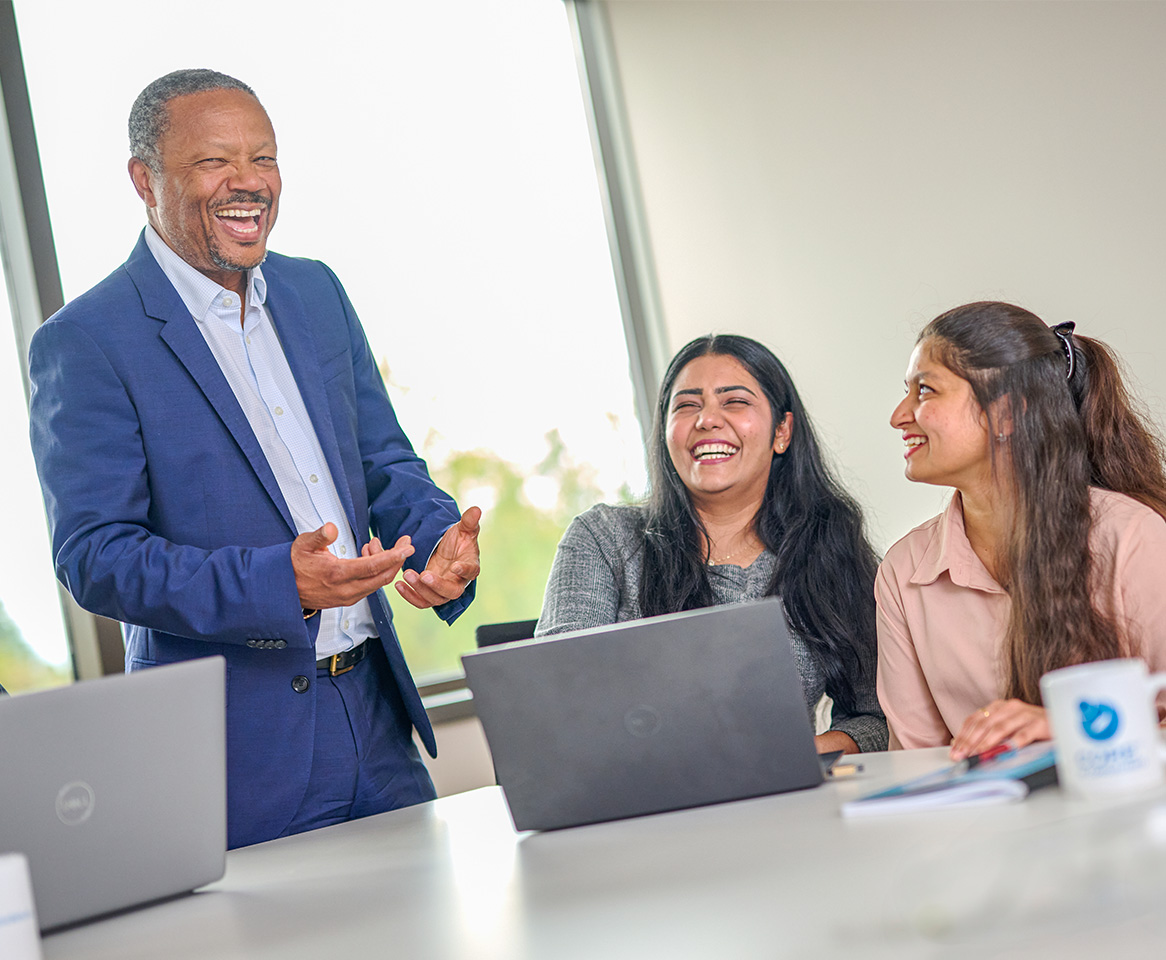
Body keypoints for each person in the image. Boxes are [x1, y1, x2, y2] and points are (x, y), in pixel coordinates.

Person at [28, 69, 481, 848]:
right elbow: (95, 557)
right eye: (214, 163)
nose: (248, 184)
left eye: (263, 159)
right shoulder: (86, 341)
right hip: (236, 756)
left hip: (376, 723)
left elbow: (381, 463)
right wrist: (282, 584)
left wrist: (436, 538)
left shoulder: (317, 294)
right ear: (145, 180)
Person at [537, 334, 886, 755]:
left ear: (782, 430)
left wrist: (800, 753)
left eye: (734, 402)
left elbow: (877, 718)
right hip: (640, 803)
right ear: (666, 434)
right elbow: (560, 702)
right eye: (686, 405)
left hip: (782, 802)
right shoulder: (603, 539)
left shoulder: (830, 552)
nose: (707, 420)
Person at [878, 301, 1166, 758]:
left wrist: (1072, 724)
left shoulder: (1131, 537)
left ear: (1008, 413)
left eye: (926, 391)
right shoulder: (902, 570)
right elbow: (914, 760)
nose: (899, 415)